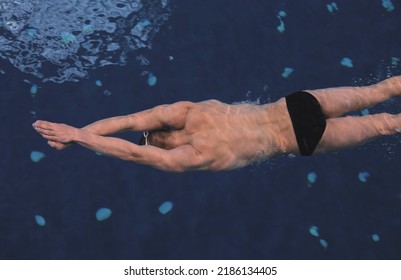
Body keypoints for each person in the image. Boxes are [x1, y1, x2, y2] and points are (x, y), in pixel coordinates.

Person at [33, 75, 401, 172]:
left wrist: (79, 137)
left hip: (303, 138)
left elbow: (130, 153)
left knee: (388, 125)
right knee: (381, 89)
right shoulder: (189, 112)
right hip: (294, 106)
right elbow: (129, 122)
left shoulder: (194, 157)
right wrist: (75, 133)